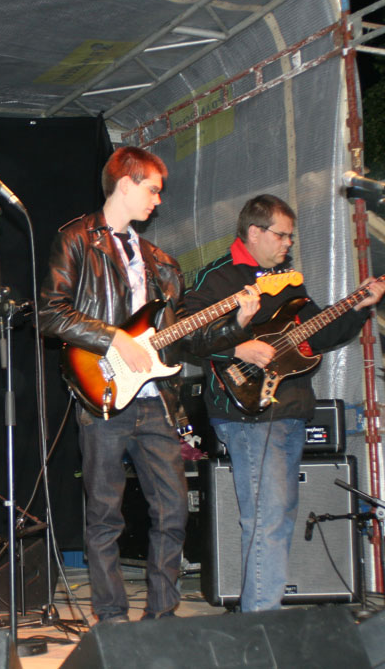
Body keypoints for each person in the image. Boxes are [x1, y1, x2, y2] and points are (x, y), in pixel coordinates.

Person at [38, 146, 259, 623]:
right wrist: (115, 338)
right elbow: (50, 314)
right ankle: (113, 619)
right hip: (102, 395)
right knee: (105, 516)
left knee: (173, 510)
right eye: (153, 190)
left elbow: (189, 339)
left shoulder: (162, 262)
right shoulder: (76, 240)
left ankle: (162, 617)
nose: (158, 200)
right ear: (125, 183)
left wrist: (236, 323)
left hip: (157, 400)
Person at [181, 193, 385, 612]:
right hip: (247, 410)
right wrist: (237, 348)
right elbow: (185, 337)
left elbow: (319, 334)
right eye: (282, 235)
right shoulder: (216, 278)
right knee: (268, 518)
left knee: (277, 516)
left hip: (290, 408)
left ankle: (261, 613)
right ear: (254, 232)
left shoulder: (287, 280)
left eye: (291, 237)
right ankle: (262, 620)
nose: (288, 243)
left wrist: (359, 309)